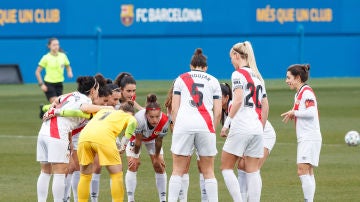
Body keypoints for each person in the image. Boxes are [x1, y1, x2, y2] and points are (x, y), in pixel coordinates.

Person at [36, 76, 109, 202]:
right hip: (57, 134)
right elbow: (84, 108)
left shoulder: (70, 94)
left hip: (44, 131)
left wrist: (53, 109)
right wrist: (107, 108)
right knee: (59, 172)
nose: (97, 92)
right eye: (97, 89)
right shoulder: (85, 100)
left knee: (45, 171)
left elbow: (56, 101)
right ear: (92, 90)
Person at [168, 48, 222, 202]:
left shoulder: (181, 79)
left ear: (191, 65)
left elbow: (174, 109)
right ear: (205, 67)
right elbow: (218, 111)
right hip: (206, 125)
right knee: (208, 171)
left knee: (177, 170)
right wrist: (213, 129)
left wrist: (177, 127)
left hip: (183, 124)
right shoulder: (213, 80)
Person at [220, 41, 268, 202]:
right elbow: (266, 106)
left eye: (231, 58)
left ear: (236, 55)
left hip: (241, 126)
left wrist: (226, 125)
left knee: (226, 168)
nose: (231, 62)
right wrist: (259, 128)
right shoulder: (258, 77)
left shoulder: (238, 74)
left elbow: (239, 100)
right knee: (253, 171)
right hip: (256, 128)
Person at [220, 82, 276, 202]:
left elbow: (239, 128)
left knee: (253, 168)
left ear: (226, 97)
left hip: (265, 134)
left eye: (219, 97)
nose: (216, 99)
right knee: (241, 166)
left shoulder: (232, 106)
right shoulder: (225, 110)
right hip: (251, 134)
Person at [77, 101, 138, 202]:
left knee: (85, 175)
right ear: (129, 113)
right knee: (116, 174)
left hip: (84, 137)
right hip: (103, 138)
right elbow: (132, 123)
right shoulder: (128, 116)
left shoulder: (104, 111)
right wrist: (124, 143)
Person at [281, 64, 322, 202]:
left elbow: (311, 112)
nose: (286, 81)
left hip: (309, 137)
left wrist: (295, 112)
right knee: (308, 171)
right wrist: (295, 113)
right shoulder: (299, 93)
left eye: (289, 78)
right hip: (307, 137)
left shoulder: (307, 92)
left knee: (302, 170)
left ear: (298, 78)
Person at [125, 94, 170, 202]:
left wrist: (157, 157)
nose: (155, 120)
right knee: (133, 165)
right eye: (151, 117)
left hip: (153, 139)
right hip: (136, 138)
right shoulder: (139, 119)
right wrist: (135, 156)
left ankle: (163, 199)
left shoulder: (164, 120)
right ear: (146, 115)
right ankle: (131, 199)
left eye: (157, 116)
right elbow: (138, 142)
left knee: (159, 166)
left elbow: (159, 141)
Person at [35, 38, 73, 104]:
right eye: (54, 45)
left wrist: (69, 72)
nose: (56, 46)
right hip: (49, 83)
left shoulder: (63, 56)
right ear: (49, 46)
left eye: (57, 44)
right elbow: (37, 72)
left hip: (59, 83)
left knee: (58, 105)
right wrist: (41, 84)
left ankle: (43, 109)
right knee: (55, 102)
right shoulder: (46, 57)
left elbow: (68, 66)